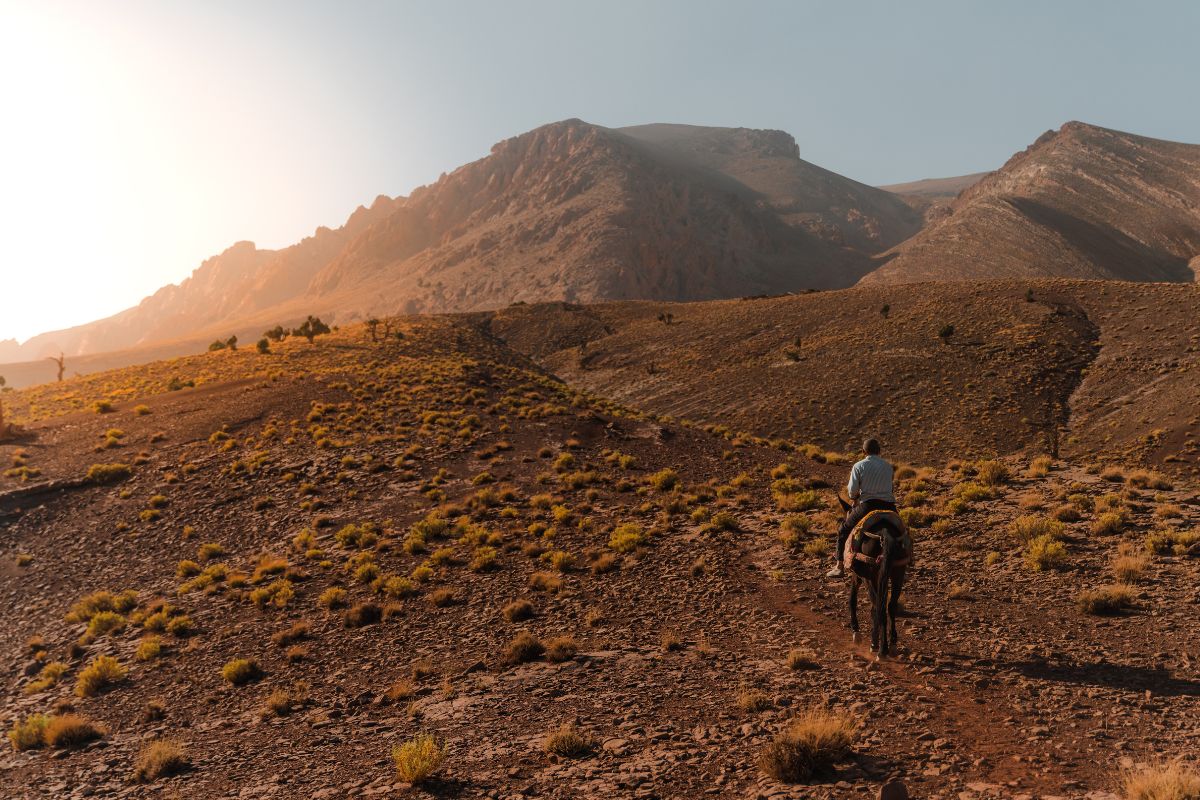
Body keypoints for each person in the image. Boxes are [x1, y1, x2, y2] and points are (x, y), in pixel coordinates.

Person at [826, 437, 897, 578]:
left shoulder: (859, 466)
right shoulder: (888, 466)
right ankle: (908, 559)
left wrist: (854, 498)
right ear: (879, 451)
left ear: (863, 451)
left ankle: (839, 566)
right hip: (889, 506)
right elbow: (890, 487)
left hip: (868, 506)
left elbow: (852, 490)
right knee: (902, 531)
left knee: (843, 529)